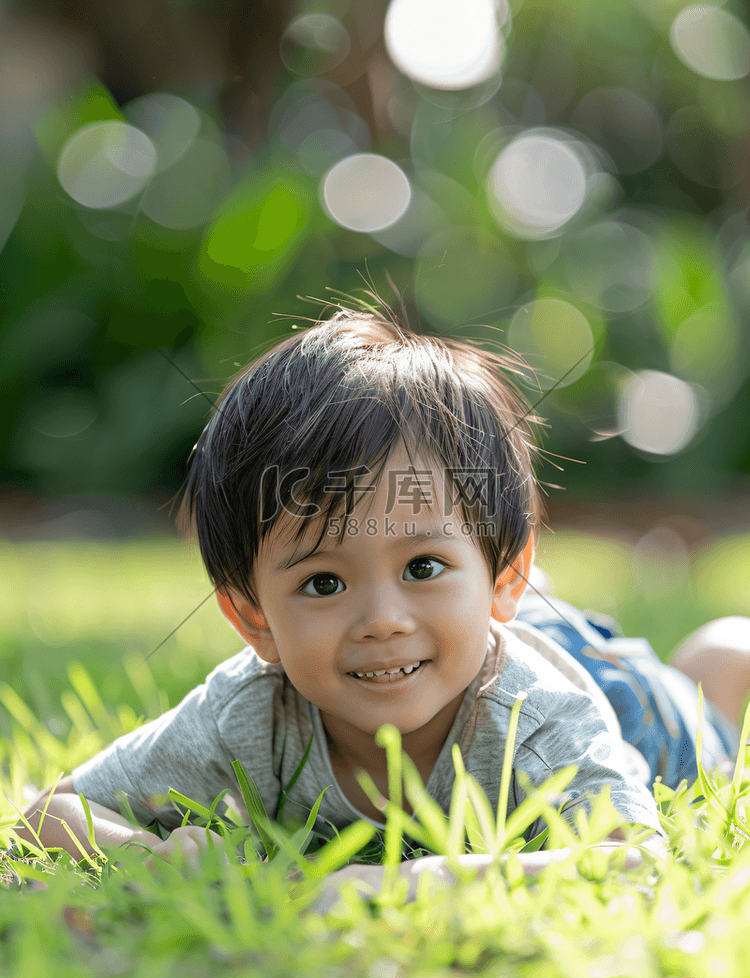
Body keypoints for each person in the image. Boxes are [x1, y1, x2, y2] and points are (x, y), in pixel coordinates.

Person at [18, 307, 746, 905]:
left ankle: (705, 660)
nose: (381, 618)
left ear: (505, 575)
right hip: (471, 627)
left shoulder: (538, 716)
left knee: (711, 686)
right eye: (325, 584)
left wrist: (404, 884)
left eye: (419, 565)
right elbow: (49, 812)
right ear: (253, 619)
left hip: (613, 704)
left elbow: (633, 862)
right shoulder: (249, 714)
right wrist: (148, 856)